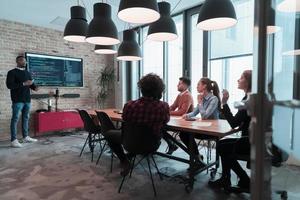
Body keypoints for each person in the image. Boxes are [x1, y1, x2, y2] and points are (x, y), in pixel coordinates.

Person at [208, 70, 252, 192]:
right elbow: (239, 121)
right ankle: (227, 178)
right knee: (222, 144)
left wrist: (224, 102)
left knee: (222, 147)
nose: (238, 80)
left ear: (248, 82)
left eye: (241, 78)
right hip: (252, 139)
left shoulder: (248, 99)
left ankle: (243, 179)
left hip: (250, 142)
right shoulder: (249, 97)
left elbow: (233, 123)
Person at [179, 77, 220, 162]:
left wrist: (200, 102)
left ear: (204, 86)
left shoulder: (214, 99)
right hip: (202, 129)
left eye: (198, 85)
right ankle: (197, 156)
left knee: (186, 134)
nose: (196, 87)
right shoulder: (202, 98)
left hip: (211, 131)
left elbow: (204, 116)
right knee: (183, 134)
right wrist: (186, 115)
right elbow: (194, 113)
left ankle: (196, 158)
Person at [6, 55, 39, 148]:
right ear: (17, 61)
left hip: (27, 99)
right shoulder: (12, 72)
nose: (24, 62)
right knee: (15, 119)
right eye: (22, 61)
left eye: (25, 61)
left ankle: (25, 137)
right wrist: (24, 83)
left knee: (26, 118)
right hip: (17, 100)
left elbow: (31, 85)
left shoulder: (27, 73)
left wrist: (35, 87)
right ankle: (13, 140)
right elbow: (10, 85)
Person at [164, 77, 194, 155]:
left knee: (162, 128)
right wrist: (166, 110)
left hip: (186, 123)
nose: (177, 85)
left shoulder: (187, 95)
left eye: (179, 83)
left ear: (185, 85)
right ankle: (171, 144)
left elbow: (182, 112)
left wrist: (167, 113)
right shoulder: (180, 95)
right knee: (161, 127)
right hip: (179, 121)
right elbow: (173, 106)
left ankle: (172, 144)